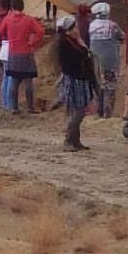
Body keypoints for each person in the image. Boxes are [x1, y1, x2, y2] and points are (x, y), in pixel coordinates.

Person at [55, 15, 98, 152]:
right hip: (75, 80)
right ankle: (69, 140)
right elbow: (84, 55)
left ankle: (75, 140)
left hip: (80, 79)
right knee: (78, 111)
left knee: (78, 110)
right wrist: (81, 42)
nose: (76, 30)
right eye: (73, 28)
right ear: (67, 31)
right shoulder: (66, 44)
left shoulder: (69, 41)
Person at [0, 0, 44, 114]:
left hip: (13, 52)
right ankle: (30, 107)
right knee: (28, 81)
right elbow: (40, 31)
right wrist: (33, 42)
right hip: (26, 52)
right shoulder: (28, 20)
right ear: (23, 7)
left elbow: (1, 31)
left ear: (13, 7)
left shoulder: (8, 19)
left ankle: (14, 107)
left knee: (14, 80)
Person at [87, 0, 124, 117]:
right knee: (110, 86)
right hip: (110, 61)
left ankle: (98, 112)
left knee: (97, 85)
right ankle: (108, 113)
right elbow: (123, 37)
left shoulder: (91, 25)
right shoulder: (113, 25)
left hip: (95, 61)